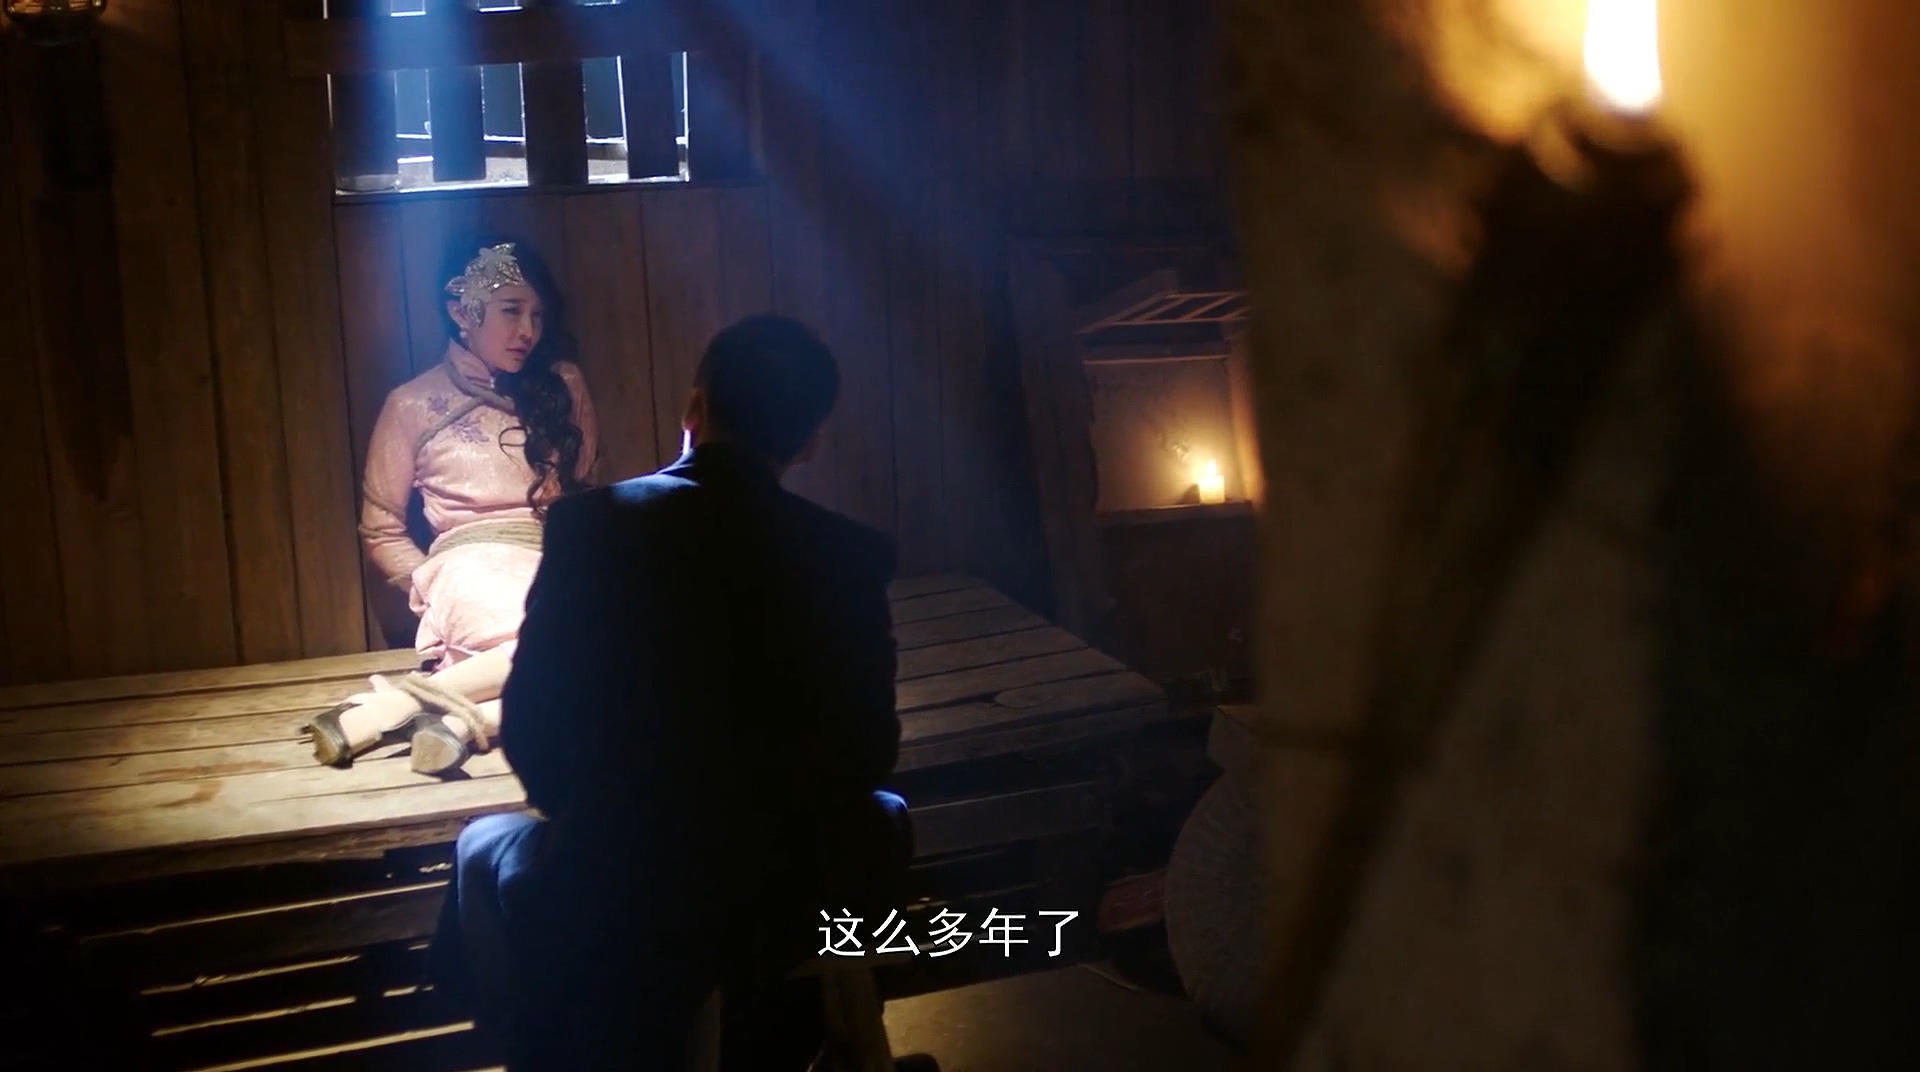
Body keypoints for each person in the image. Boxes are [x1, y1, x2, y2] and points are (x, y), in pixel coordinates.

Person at [432, 315, 911, 1071]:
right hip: (790, 891)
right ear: (810, 441)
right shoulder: (849, 554)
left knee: (483, 846)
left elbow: (533, 735)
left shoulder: (593, 527)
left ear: (694, 407)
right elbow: (867, 752)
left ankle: (541, 1047)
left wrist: (620, 826)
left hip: (626, 884)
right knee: (881, 819)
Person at [304, 236, 600, 774]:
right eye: (511, 310)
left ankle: (435, 714)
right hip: (467, 564)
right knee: (561, 644)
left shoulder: (562, 386)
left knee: (610, 646)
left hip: (552, 555)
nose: (528, 331)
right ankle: (458, 717)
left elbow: (581, 491)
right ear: (462, 311)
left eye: (537, 314)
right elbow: (381, 529)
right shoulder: (411, 404)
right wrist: (427, 589)